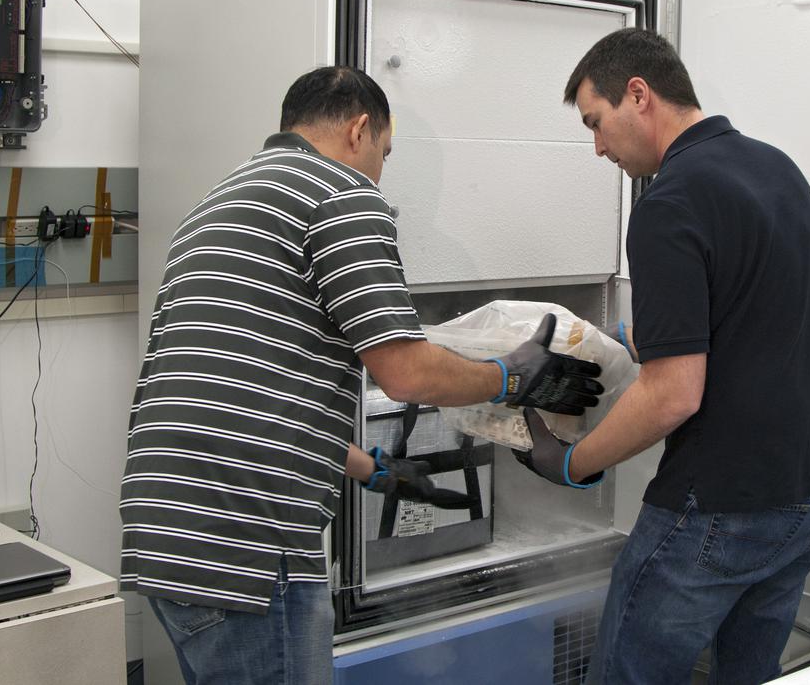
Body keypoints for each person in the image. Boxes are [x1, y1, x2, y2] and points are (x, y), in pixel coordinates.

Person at [120, 66, 602, 685]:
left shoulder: (221, 201)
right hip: (251, 543)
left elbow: (251, 391)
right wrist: (513, 377)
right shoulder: (341, 194)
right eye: (386, 154)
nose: (380, 171)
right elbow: (404, 373)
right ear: (359, 129)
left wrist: (379, 472)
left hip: (168, 531)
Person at [515, 29, 810, 684]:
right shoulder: (773, 167)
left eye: (596, 122)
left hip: (725, 509)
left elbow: (674, 394)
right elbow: (749, 314)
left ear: (638, 95)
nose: (597, 147)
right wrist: (616, 344)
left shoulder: (667, 202)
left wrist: (571, 463)